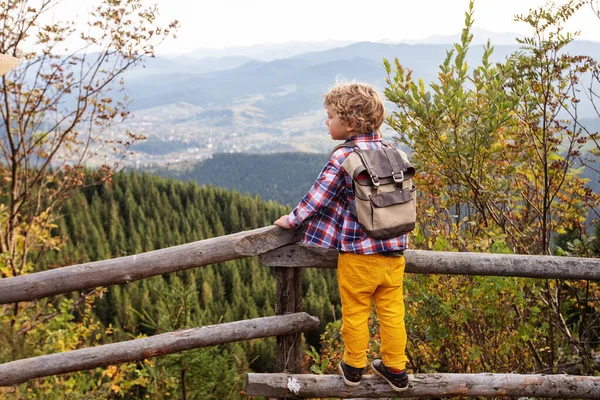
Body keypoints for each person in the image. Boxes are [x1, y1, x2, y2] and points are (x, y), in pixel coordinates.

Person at [274, 82, 410, 392]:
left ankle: (353, 367)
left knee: (356, 312)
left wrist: (292, 219)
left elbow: (317, 197)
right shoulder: (394, 152)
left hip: (358, 256)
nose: (326, 122)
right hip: (394, 252)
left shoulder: (345, 157)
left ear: (349, 123)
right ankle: (396, 369)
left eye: (330, 116)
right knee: (392, 313)